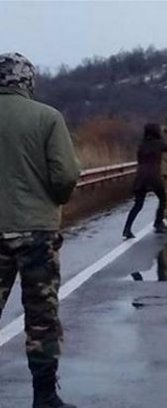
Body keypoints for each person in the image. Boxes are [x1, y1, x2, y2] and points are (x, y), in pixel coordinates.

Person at [0, 53, 80, 408]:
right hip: (37, 233)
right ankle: (44, 397)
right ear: (27, 81)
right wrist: (54, 199)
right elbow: (65, 176)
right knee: (41, 316)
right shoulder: (48, 118)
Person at [122, 123, 167, 239]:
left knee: (138, 205)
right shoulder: (159, 144)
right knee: (163, 199)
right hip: (154, 176)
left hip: (141, 176)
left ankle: (127, 229)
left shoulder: (142, 145)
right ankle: (158, 223)